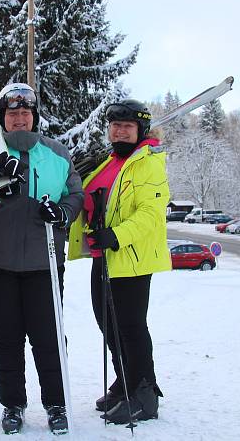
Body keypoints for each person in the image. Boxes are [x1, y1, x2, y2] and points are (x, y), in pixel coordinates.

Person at [0, 82, 83, 435]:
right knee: (5, 337)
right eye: (12, 114)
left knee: (49, 337)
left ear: (34, 117)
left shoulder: (56, 153)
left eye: (25, 113)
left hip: (42, 263)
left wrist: (61, 213)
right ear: (3, 118)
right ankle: (12, 404)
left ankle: (56, 403)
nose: (19, 119)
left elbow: (75, 193)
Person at [67, 99, 169, 425]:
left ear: (140, 130)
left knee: (131, 327)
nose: (120, 131)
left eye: (127, 126)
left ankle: (144, 393)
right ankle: (124, 379)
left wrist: (117, 235)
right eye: (115, 126)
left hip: (132, 258)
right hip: (104, 256)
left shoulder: (147, 164)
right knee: (107, 324)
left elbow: (150, 215)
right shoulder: (109, 161)